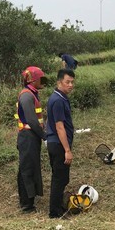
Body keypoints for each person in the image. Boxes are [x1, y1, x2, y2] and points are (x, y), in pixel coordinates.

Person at [15, 66, 48, 213]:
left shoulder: (32, 94)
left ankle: (30, 199)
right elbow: (32, 120)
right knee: (26, 169)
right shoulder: (27, 96)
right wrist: (44, 136)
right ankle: (26, 205)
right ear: (33, 80)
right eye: (41, 78)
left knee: (30, 167)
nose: (44, 81)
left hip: (32, 136)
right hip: (27, 137)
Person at [46, 69, 75, 218]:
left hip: (57, 143)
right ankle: (54, 212)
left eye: (72, 82)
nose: (70, 85)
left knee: (63, 178)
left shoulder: (60, 97)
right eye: (67, 82)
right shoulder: (57, 100)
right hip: (58, 144)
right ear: (59, 82)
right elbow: (59, 126)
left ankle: (58, 207)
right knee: (59, 178)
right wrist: (67, 150)